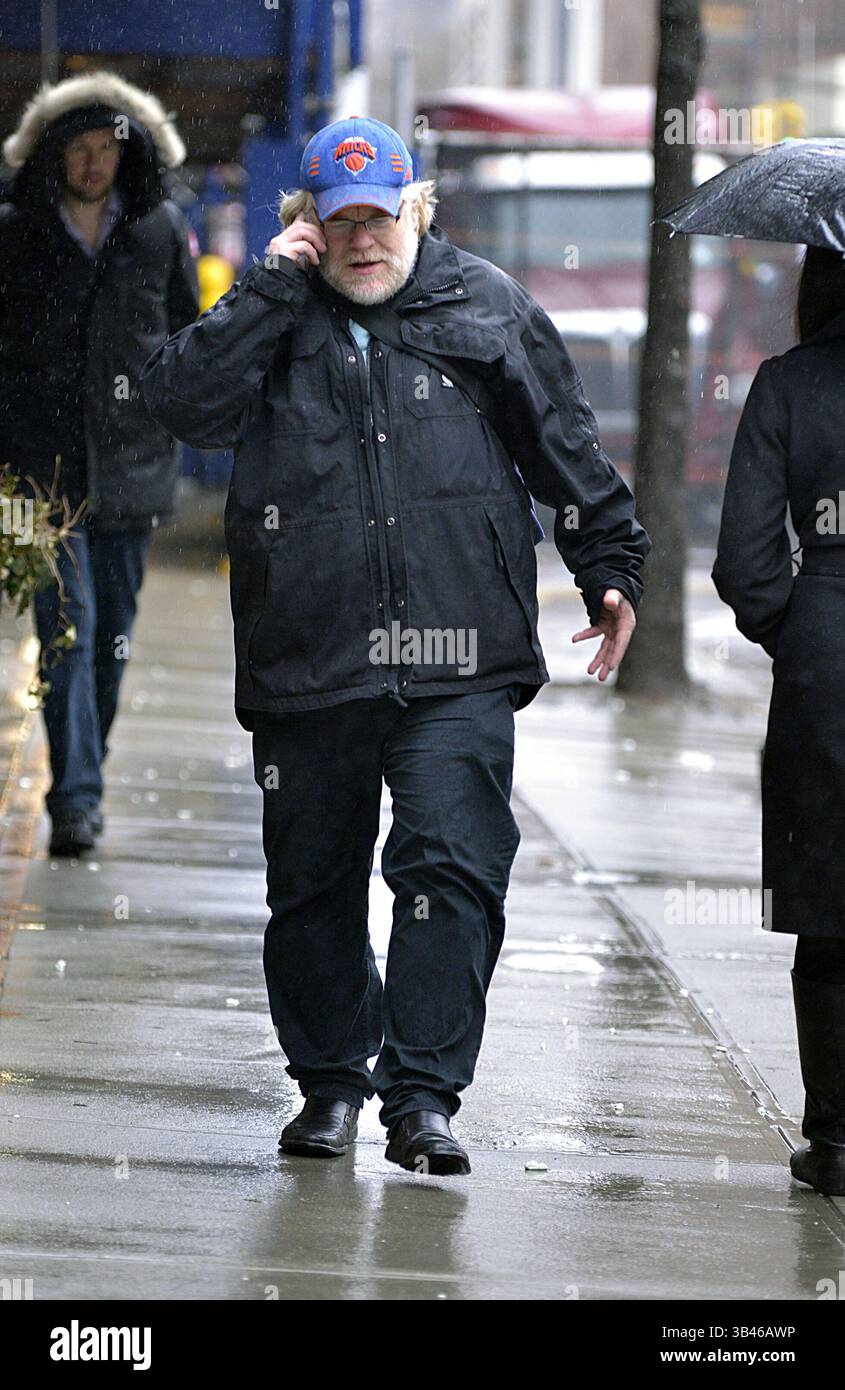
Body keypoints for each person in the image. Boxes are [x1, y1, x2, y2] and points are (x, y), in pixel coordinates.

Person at [141, 115, 651, 1176]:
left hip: (458, 651)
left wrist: (608, 564)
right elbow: (180, 401)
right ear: (308, 228)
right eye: (340, 223)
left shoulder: (485, 303)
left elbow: (562, 441)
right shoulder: (274, 311)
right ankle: (329, 1083)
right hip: (308, 654)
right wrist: (268, 291)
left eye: (381, 217)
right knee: (312, 882)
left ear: (416, 209)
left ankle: (422, 1095)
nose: (363, 241)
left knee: (450, 867)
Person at [0, 71, 198, 855]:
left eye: (106, 149)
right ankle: (76, 799)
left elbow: (187, 336)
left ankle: (87, 767)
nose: (91, 163)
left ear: (129, 155)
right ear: (54, 155)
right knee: (65, 634)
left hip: (132, 468)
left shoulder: (156, 231)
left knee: (112, 634)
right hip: (34, 474)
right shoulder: (14, 232)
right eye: (77, 149)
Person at [713, 244, 845, 1197]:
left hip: (826, 665)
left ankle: (836, 1142)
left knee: (830, 912)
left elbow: (746, 564)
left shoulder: (789, 385)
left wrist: (800, 632)